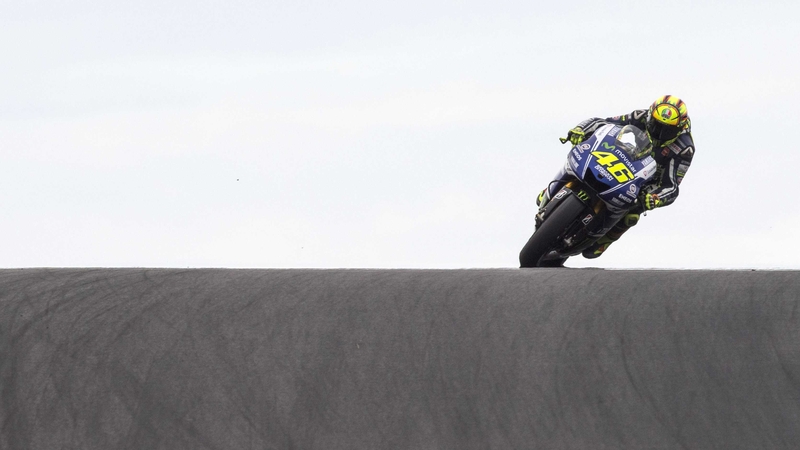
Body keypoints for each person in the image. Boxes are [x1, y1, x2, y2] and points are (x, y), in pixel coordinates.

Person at [537, 95, 695, 259]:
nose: (659, 133)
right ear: (650, 116)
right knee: (578, 159)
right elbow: (605, 124)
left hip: (648, 180)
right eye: (656, 125)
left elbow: (671, 185)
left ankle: (605, 239)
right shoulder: (639, 117)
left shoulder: (684, 148)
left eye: (667, 130)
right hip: (623, 159)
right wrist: (581, 130)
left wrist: (655, 197)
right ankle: (551, 190)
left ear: (679, 128)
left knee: (633, 213)